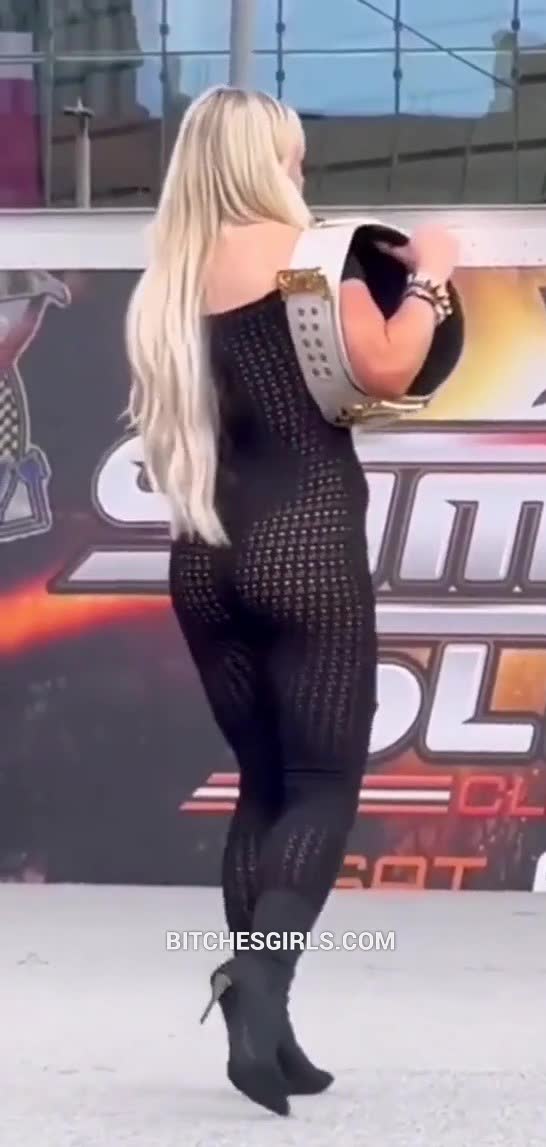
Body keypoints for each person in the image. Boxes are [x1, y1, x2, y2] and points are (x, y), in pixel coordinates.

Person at [125, 85, 458, 1118]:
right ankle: (260, 977)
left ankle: (264, 1025)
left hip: (205, 559)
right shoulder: (311, 255)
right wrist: (433, 277)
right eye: (292, 153)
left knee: (263, 784)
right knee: (319, 785)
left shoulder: (167, 283)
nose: (301, 169)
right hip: (304, 549)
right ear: (263, 160)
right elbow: (388, 366)